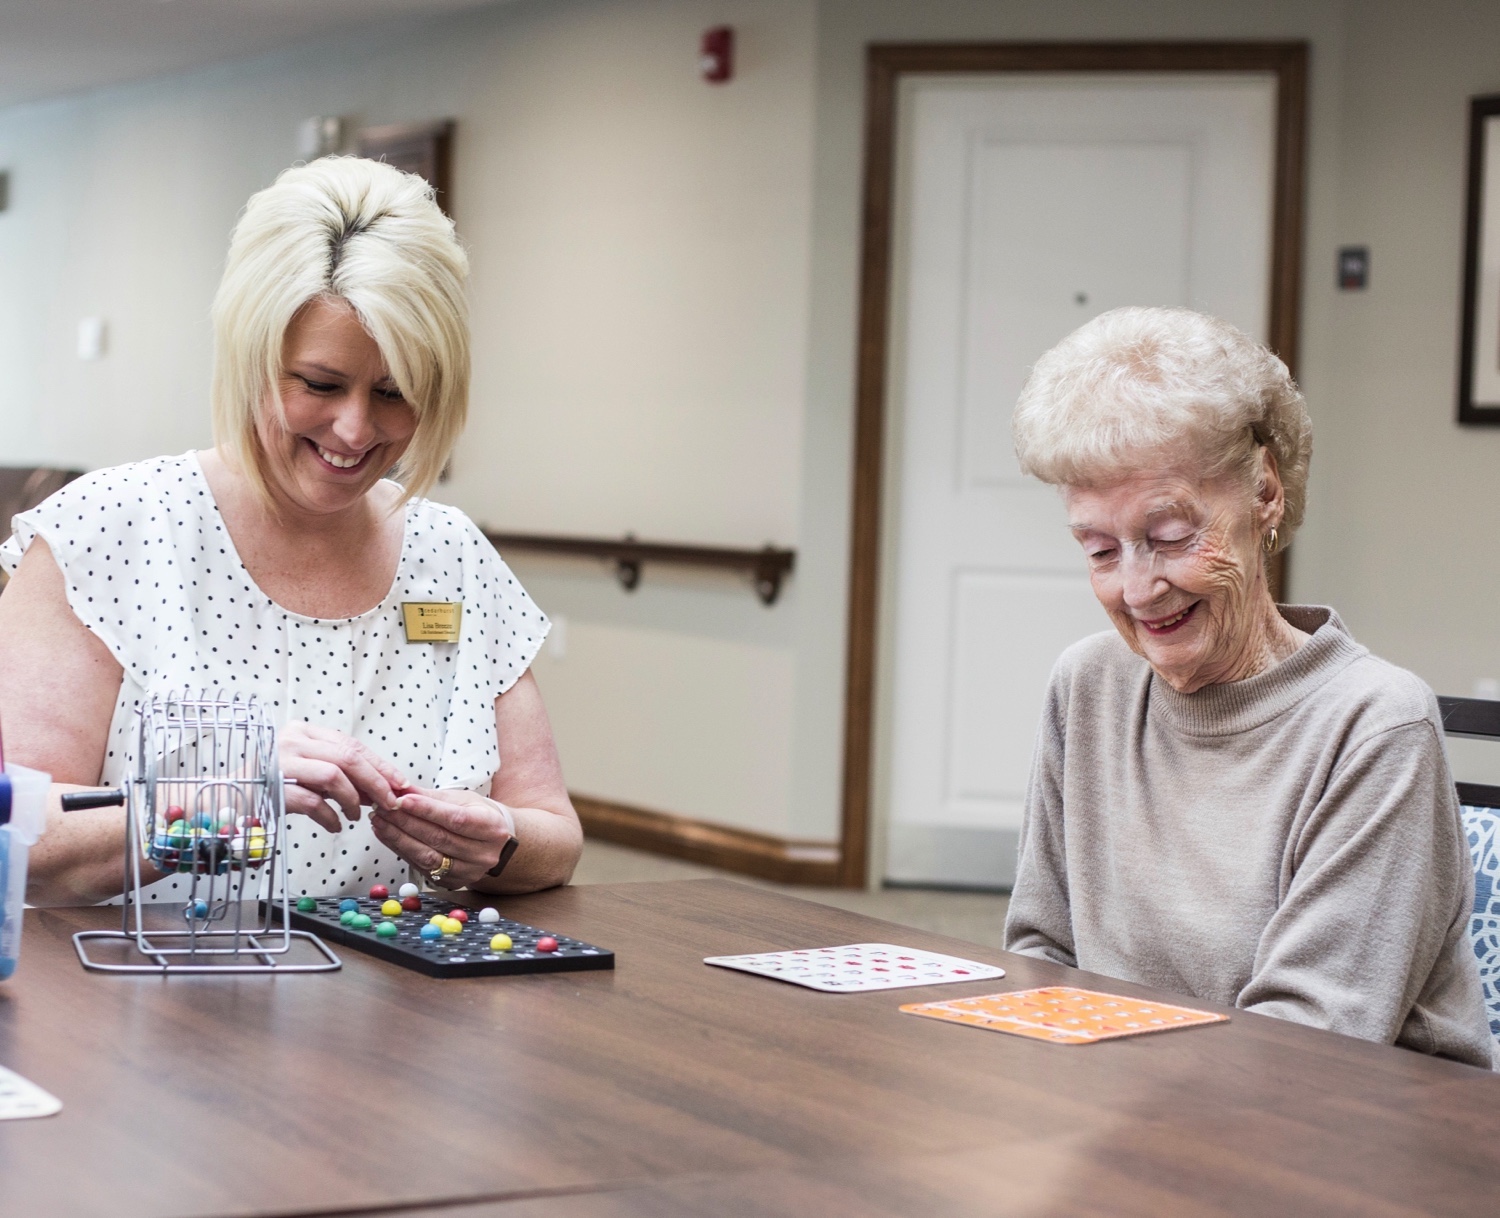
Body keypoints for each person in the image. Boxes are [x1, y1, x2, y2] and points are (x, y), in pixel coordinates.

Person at [0, 157, 582, 906]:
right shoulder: (106, 533)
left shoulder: (451, 554)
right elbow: (21, 838)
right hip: (139, 1009)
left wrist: (494, 841)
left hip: (394, 1013)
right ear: (251, 358)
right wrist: (203, 810)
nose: (356, 429)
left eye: (394, 393)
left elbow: (553, 837)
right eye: (320, 384)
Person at [1003, 306, 1494, 1068]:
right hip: (1132, 1123)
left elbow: (1304, 1047)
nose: (1137, 589)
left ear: (1265, 493)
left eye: (1169, 537)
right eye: (1101, 549)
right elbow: (1041, 957)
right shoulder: (1088, 686)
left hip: (1351, 1145)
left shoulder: (1374, 727)